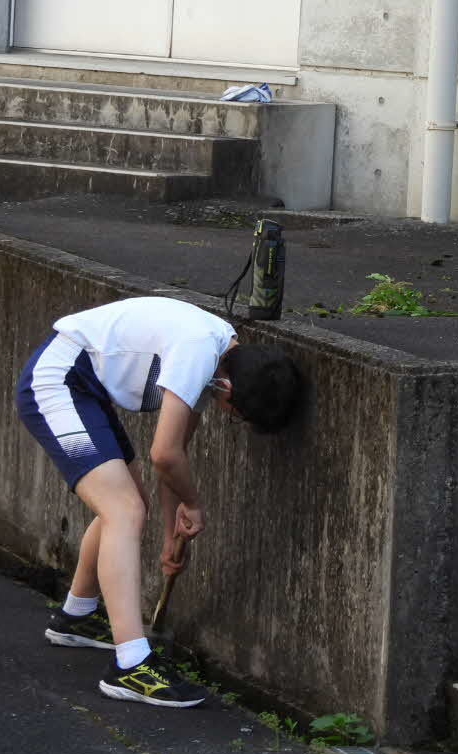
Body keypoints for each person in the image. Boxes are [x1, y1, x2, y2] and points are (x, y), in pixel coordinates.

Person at [17, 295, 302, 707]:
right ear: (227, 388)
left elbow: (174, 460)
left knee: (130, 506)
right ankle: (130, 666)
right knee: (124, 510)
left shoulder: (216, 360)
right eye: (234, 414)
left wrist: (172, 536)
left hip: (85, 390)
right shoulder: (199, 350)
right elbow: (164, 453)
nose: (228, 417)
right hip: (58, 383)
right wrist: (196, 504)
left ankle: (76, 616)